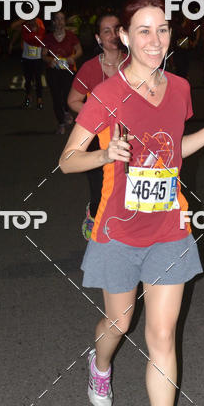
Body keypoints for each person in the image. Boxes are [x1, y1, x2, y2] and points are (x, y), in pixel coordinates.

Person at [59, 0, 204, 406]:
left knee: (162, 335)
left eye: (162, 29)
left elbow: (173, 150)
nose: (155, 39)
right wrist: (106, 155)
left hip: (168, 227)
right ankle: (100, 365)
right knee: (119, 323)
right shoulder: (107, 94)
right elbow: (67, 160)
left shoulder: (180, 88)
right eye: (143, 30)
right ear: (124, 36)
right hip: (117, 230)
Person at [67, 12, 125, 240]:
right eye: (106, 31)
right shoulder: (90, 69)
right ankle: (94, 215)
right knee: (100, 188)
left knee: (125, 186)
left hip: (128, 138)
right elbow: (73, 101)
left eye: (116, 29)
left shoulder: (134, 64)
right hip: (96, 139)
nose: (112, 35)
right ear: (98, 38)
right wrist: (98, 117)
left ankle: (122, 230)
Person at [42, 11, 82, 133]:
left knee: (67, 96)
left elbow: (79, 51)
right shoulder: (48, 38)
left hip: (68, 71)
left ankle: (66, 111)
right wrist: (50, 60)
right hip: (53, 71)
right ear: (53, 22)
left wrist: (73, 58)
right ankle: (60, 123)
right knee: (56, 97)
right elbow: (43, 54)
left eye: (62, 19)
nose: (60, 22)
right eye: (57, 19)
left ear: (65, 22)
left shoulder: (71, 36)